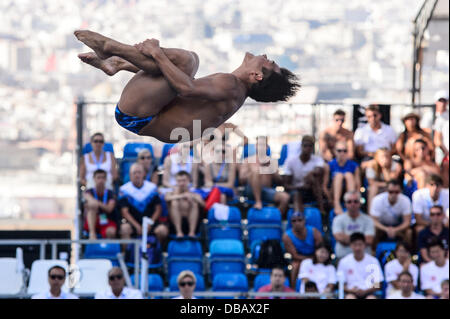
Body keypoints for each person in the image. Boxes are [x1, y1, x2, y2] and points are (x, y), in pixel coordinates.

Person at [74, 30, 300, 143]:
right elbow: (172, 84)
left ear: (257, 75)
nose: (266, 56)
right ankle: (116, 63)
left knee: (188, 61)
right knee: (182, 67)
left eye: (269, 63)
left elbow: (186, 89)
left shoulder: (231, 85)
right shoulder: (233, 92)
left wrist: (155, 51)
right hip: (143, 116)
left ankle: (112, 48)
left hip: (139, 115)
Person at [118, 163, 169, 245]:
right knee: (124, 229)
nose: (137, 175)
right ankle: (126, 255)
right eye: (134, 173)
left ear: (144, 174)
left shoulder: (152, 188)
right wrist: (137, 226)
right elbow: (124, 212)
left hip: (150, 223)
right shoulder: (124, 190)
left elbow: (158, 209)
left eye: (139, 172)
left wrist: (149, 224)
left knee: (162, 230)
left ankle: (158, 254)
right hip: (133, 223)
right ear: (130, 175)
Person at [239, 136, 290, 214]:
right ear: (255, 146)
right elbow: (241, 179)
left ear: (267, 147)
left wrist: (271, 169)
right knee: (256, 171)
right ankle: (258, 201)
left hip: (266, 191)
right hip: (251, 190)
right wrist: (254, 173)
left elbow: (279, 181)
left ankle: (275, 217)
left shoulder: (272, 162)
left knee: (285, 198)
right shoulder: (247, 160)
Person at [284, 135, 327, 214]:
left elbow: (319, 171)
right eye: (305, 145)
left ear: (313, 147)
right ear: (301, 146)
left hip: (312, 190)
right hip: (296, 190)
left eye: (310, 146)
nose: (307, 148)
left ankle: (321, 212)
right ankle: (299, 217)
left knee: (313, 178)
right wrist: (301, 186)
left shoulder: (317, 159)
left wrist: (310, 174)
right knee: (297, 194)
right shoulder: (291, 161)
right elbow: (286, 185)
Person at [283, 211, 323, 288]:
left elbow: (320, 247)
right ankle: (293, 289)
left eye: (300, 220)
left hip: (315, 256)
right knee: (294, 266)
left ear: (304, 221)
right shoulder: (287, 236)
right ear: (291, 223)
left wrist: (315, 258)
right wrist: (309, 259)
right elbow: (294, 255)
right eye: (294, 221)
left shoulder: (314, 232)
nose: (297, 223)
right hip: (299, 259)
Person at [337, 232, 383, 299]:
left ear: (364, 245)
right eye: (355, 245)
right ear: (350, 245)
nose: (357, 248)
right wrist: (351, 290)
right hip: (351, 292)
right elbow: (340, 284)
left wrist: (365, 291)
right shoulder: (344, 261)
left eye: (360, 244)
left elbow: (378, 284)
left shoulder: (373, 261)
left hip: (369, 292)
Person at [332, 191, 375, 259]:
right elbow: (339, 237)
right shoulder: (338, 219)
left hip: (364, 258)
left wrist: (347, 238)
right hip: (342, 257)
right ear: (345, 204)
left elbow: (369, 240)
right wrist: (361, 240)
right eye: (349, 202)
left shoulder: (368, 220)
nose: (352, 204)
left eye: (355, 201)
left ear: (360, 203)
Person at [369, 179, 412, 247]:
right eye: (391, 192)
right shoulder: (377, 200)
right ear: (386, 191)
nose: (394, 194)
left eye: (396, 192)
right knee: (373, 230)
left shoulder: (405, 200)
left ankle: (407, 252)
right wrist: (386, 229)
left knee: (409, 232)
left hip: (398, 227)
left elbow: (407, 222)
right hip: (382, 227)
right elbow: (373, 221)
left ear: (400, 191)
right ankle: (374, 252)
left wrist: (395, 230)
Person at [324, 141, 361, 215]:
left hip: (350, 191)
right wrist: (330, 200)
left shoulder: (354, 165)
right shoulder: (329, 165)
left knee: (348, 175)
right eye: (339, 151)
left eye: (344, 151)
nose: (342, 153)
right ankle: (336, 203)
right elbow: (324, 187)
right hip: (334, 193)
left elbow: (358, 185)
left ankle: (351, 201)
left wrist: (358, 198)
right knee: (339, 176)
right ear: (335, 151)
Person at [165, 171, 205, 238]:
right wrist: (182, 196)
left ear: (189, 181)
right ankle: (179, 232)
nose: (181, 183)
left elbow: (204, 205)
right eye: (179, 181)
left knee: (194, 203)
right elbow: (167, 198)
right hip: (174, 225)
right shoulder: (171, 193)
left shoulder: (195, 194)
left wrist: (193, 197)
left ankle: (192, 232)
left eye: (184, 180)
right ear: (176, 181)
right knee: (174, 202)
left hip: (193, 225)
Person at [83, 169, 117, 239]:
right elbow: (89, 201)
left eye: (103, 178)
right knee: (92, 206)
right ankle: (92, 233)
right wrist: (99, 204)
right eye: (98, 177)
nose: (101, 180)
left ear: (106, 179)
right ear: (94, 179)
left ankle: (107, 249)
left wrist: (97, 202)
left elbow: (109, 209)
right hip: (93, 221)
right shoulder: (89, 191)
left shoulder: (111, 193)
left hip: (107, 221)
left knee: (111, 231)